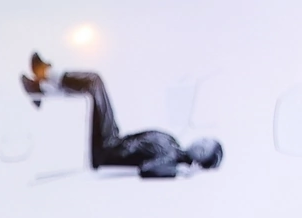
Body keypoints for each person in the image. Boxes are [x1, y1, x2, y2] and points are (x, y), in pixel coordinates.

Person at [23, 53, 223, 178]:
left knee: (94, 82)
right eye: (205, 139)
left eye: (205, 146)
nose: (201, 141)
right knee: (93, 89)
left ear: (201, 158)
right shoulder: (173, 143)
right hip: (114, 139)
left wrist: (181, 172)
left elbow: (147, 169)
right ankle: (41, 87)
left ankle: (44, 76)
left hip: (106, 150)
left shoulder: (170, 159)